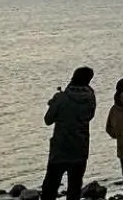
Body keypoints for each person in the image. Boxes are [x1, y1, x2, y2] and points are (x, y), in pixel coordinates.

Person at [41, 66, 96, 200]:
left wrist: (54, 104)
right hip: (80, 148)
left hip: (60, 149)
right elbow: (89, 116)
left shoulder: (61, 98)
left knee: (50, 187)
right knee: (74, 188)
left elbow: (48, 120)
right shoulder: (90, 98)